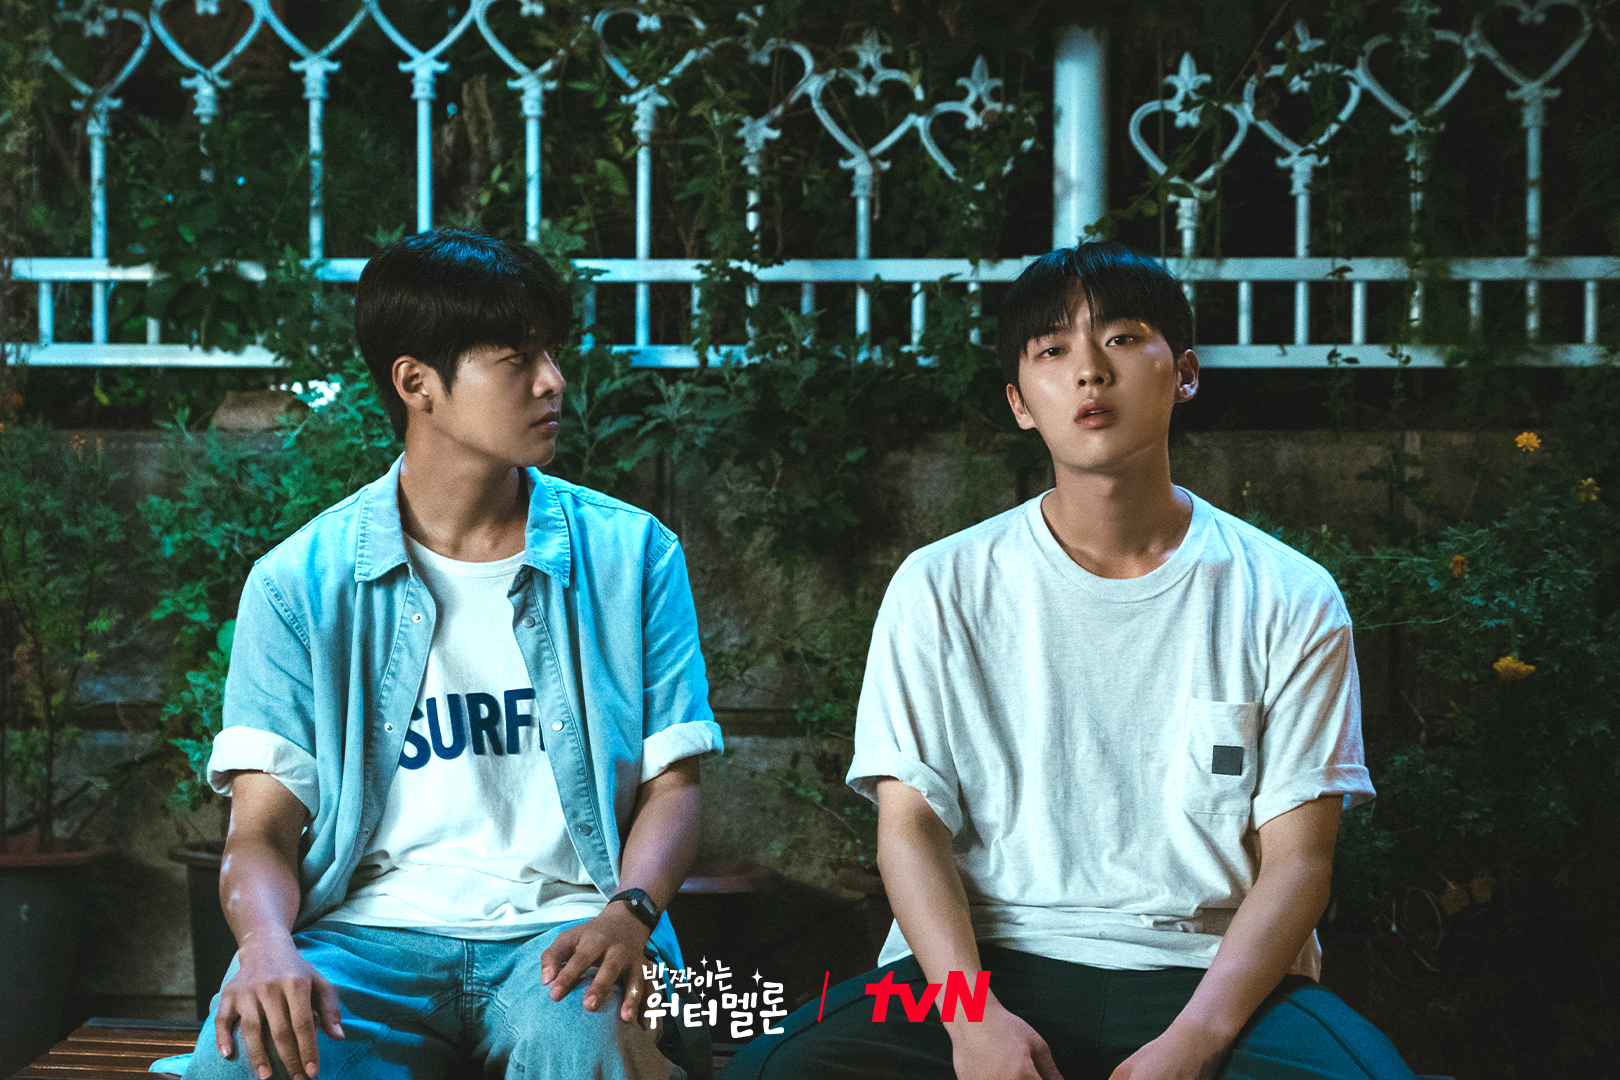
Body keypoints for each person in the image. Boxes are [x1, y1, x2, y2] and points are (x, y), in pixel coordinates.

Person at [725, 242, 1415, 1080]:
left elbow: (1300, 860)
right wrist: (971, 1020)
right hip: (972, 971)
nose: (1090, 370)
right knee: (770, 1072)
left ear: (1185, 373)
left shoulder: (1287, 593)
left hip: (1208, 973)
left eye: (1121, 338)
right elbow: (908, 828)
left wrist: (1194, 1043)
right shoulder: (941, 584)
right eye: (1053, 350)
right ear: (1020, 402)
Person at [182, 229, 721, 1080]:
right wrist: (264, 944)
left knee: (589, 1046)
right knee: (241, 1061)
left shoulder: (632, 556)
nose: (553, 381)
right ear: (416, 383)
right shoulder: (299, 584)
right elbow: (260, 830)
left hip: (570, 931)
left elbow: (675, 786)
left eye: (551, 353)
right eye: (518, 360)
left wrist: (631, 912)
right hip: (365, 943)